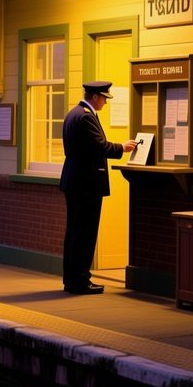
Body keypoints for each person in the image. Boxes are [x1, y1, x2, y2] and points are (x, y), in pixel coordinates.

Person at [60, 81, 137, 294]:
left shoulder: (74, 113)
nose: (105, 102)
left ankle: (71, 278)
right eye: (104, 98)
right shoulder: (86, 116)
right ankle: (81, 281)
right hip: (86, 184)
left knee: (75, 232)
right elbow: (99, 147)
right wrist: (123, 147)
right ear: (95, 97)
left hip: (75, 181)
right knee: (85, 233)